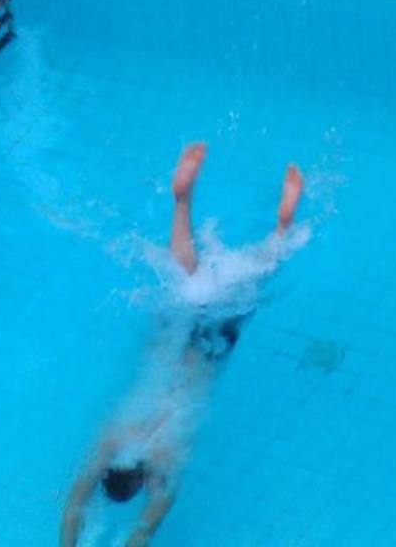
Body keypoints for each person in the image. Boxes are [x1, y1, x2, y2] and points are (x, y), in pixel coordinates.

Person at [60, 143, 304, 547]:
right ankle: (182, 203)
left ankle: (282, 229)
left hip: (206, 352)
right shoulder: (111, 439)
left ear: (138, 481)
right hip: (168, 340)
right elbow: (74, 504)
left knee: (249, 286)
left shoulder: (165, 465)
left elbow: (142, 530)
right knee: (187, 284)